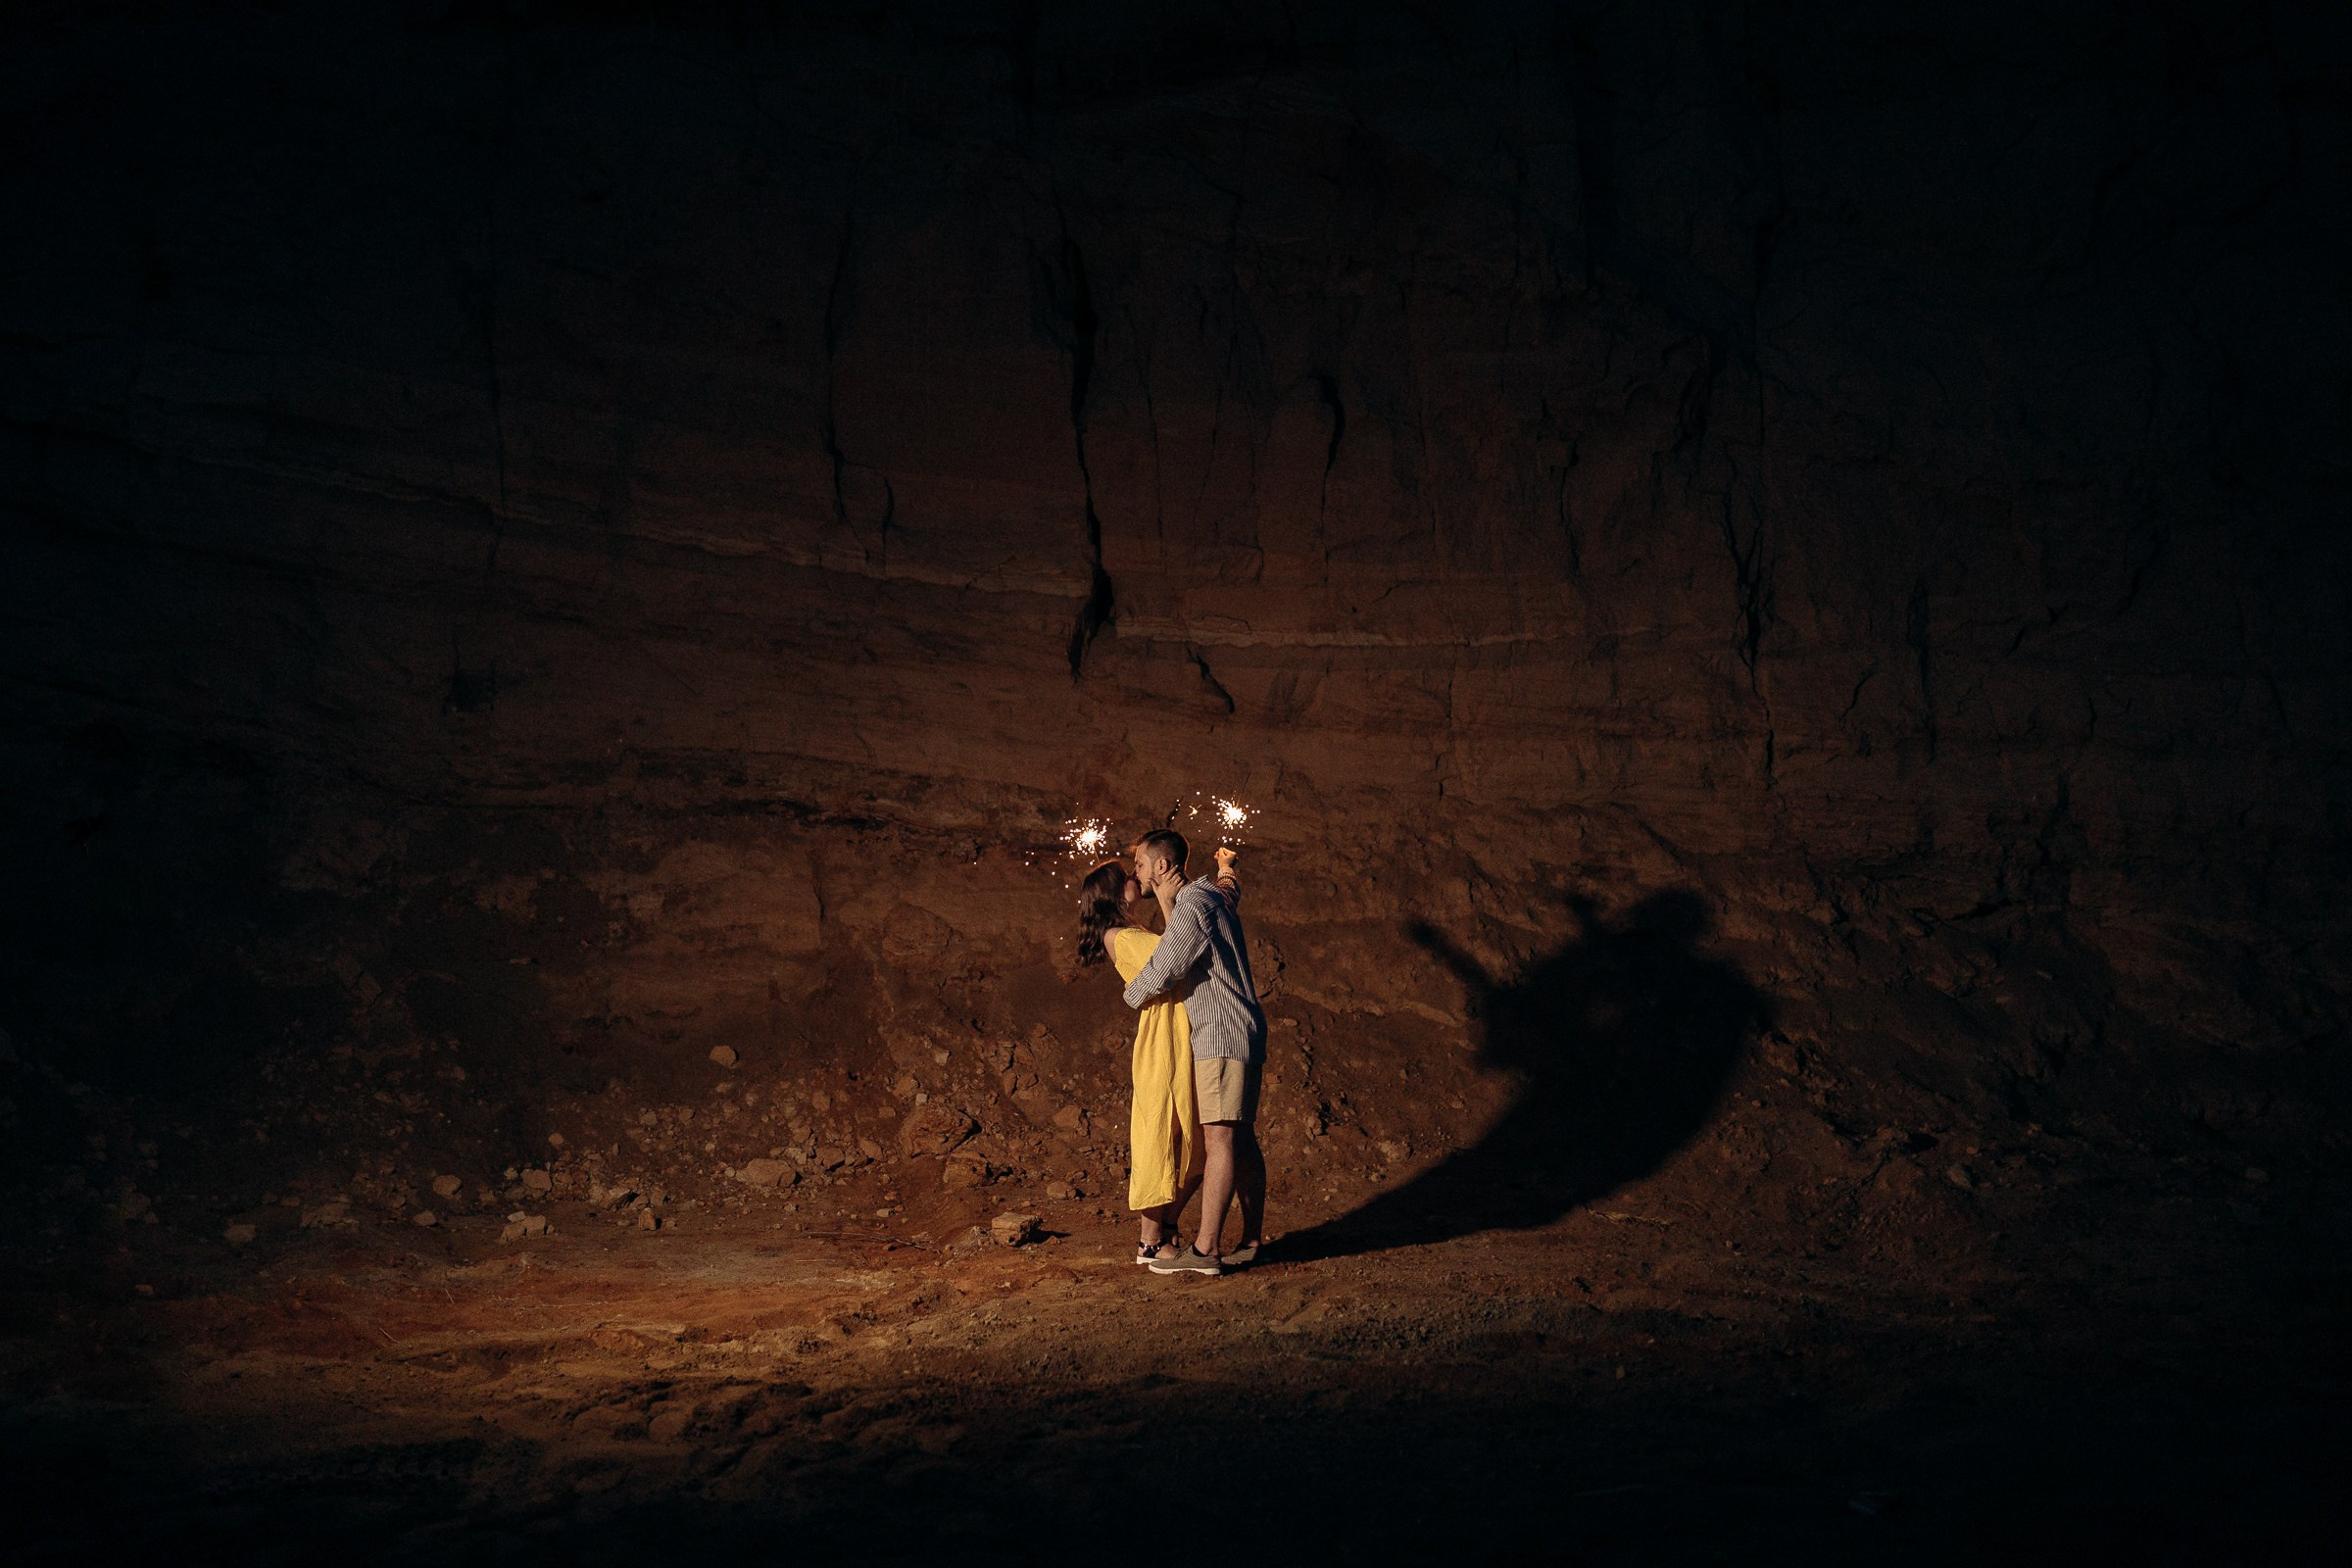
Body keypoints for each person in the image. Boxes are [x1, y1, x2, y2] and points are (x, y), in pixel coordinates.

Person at [1123, 828, 1267, 1276]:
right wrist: (1227, 867)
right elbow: (1230, 889)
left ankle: (1206, 1251)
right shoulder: (1212, 895)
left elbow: (1165, 968)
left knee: (1220, 1139)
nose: (1138, 873)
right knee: (1239, 1137)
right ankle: (1251, 1238)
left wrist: (1130, 994)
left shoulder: (1189, 908)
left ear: (1162, 867)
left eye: (1143, 865)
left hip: (1220, 1034)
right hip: (1240, 1029)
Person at [1076, 858, 1203, 1264]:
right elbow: (1174, 956)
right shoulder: (1121, 935)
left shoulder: (1131, 930)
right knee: (1160, 1136)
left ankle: (1165, 1230)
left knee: (1191, 1141)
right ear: (1115, 892)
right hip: (1161, 1040)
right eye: (1129, 877)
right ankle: (1149, 1241)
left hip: (1176, 1033)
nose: (1137, 879)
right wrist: (1170, 901)